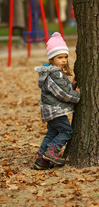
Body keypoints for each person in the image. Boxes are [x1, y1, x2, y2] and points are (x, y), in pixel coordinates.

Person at [33, 32, 80, 170]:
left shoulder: (56, 73)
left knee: (52, 133)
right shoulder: (54, 74)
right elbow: (63, 94)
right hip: (55, 111)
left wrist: (72, 86)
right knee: (66, 132)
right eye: (60, 57)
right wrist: (77, 96)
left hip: (52, 110)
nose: (64, 60)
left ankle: (41, 160)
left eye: (65, 57)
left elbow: (62, 90)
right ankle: (51, 152)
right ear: (52, 59)